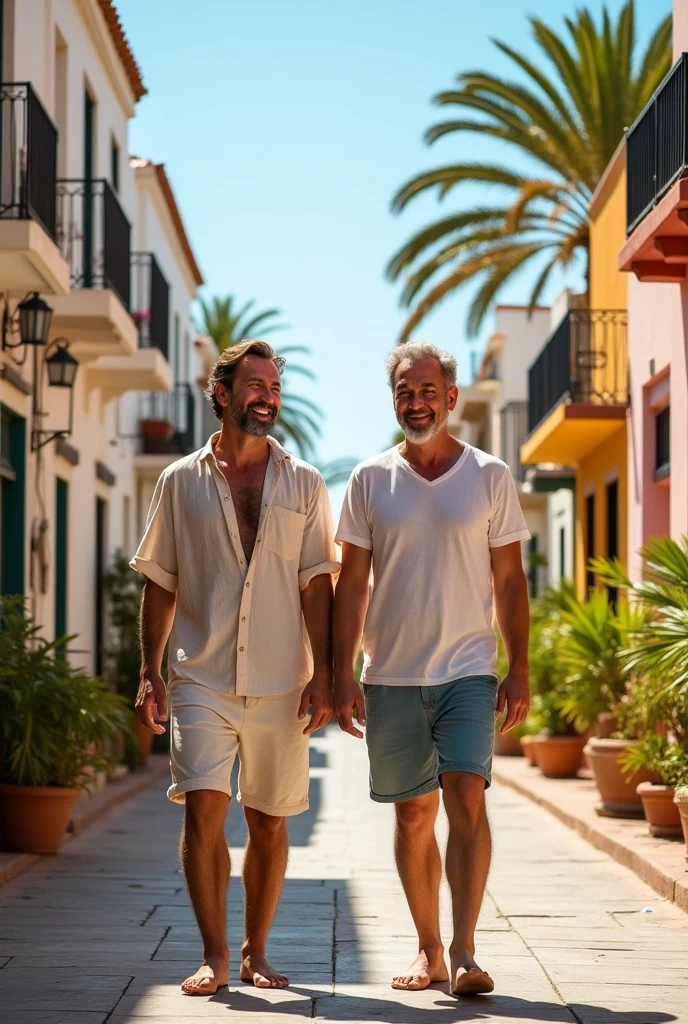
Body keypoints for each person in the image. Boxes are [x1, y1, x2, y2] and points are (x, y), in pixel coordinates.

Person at [130, 339, 339, 996]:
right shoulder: (178, 482)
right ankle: (215, 954)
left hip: (283, 678)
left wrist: (327, 673)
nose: (268, 396)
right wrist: (150, 669)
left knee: (271, 820)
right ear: (221, 394)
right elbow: (160, 581)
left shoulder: (304, 483)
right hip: (202, 673)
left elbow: (316, 585)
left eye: (275, 387)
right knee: (202, 809)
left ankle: (256, 950)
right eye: (255, 385)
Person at [333, 341, 530, 997]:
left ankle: (466, 952)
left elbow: (509, 579)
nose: (415, 402)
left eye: (426, 390)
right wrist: (339, 671)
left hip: (468, 670)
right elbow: (352, 584)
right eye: (403, 392)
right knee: (414, 816)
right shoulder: (369, 480)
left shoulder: (490, 476)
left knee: (466, 794)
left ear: (450, 398)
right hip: (389, 674)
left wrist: (520, 666)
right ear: (395, 402)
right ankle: (428, 950)